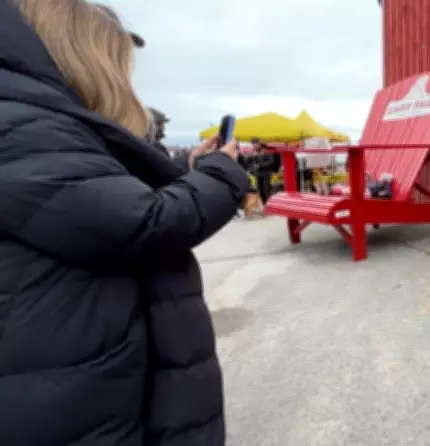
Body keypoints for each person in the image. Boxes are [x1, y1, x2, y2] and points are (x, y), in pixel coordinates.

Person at [0, 1, 249, 445]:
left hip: (75, 375)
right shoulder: (22, 127)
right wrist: (221, 172)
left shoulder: (32, 124)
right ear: (84, 61)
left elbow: (99, 190)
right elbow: (145, 222)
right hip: (75, 397)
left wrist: (189, 166)